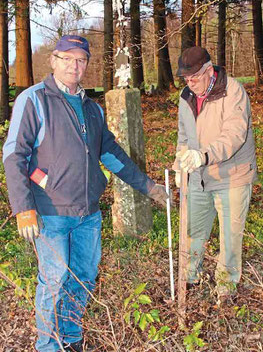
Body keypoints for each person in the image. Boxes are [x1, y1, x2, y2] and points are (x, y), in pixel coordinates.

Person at [3, 35, 169, 352]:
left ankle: (71, 337)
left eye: (80, 60)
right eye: (67, 58)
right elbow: (14, 155)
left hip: (88, 214)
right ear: (53, 60)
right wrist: (23, 208)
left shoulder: (93, 109)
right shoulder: (34, 100)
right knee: (53, 280)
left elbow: (111, 155)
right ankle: (49, 346)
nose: (74, 65)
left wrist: (150, 188)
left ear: (86, 66)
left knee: (83, 277)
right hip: (50, 212)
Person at [172, 46, 257, 301]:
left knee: (230, 238)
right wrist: (180, 164)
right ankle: (190, 278)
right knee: (193, 230)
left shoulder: (233, 91)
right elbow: (184, 136)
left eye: (194, 77)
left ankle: (225, 289)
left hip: (232, 176)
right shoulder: (186, 97)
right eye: (186, 78)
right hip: (199, 176)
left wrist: (204, 154)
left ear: (209, 70)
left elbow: (234, 135)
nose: (190, 83)